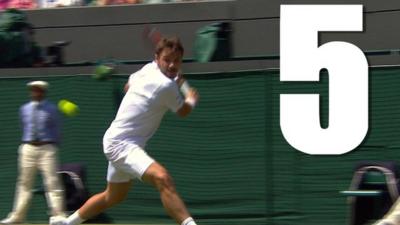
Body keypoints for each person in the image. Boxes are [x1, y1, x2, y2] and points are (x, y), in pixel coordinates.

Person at [50, 36, 199, 225]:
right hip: (122, 144)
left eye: (176, 61)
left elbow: (128, 85)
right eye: (167, 59)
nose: (171, 65)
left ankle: (66, 223)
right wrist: (191, 99)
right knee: (163, 178)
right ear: (157, 58)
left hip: (116, 140)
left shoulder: (147, 69)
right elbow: (184, 111)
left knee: (112, 197)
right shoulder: (166, 85)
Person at [1, 81, 66, 224]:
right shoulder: (24, 109)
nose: (35, 92)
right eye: (33, 90)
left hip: (47, 148)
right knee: (24, 183)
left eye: (38, 90)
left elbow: (57, 129)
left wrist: (53, 146)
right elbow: (24, 126)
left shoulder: (52, 109)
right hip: (28, 148)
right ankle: (17, 217)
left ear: (43, 92)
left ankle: (58, 216)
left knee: (52, 182)